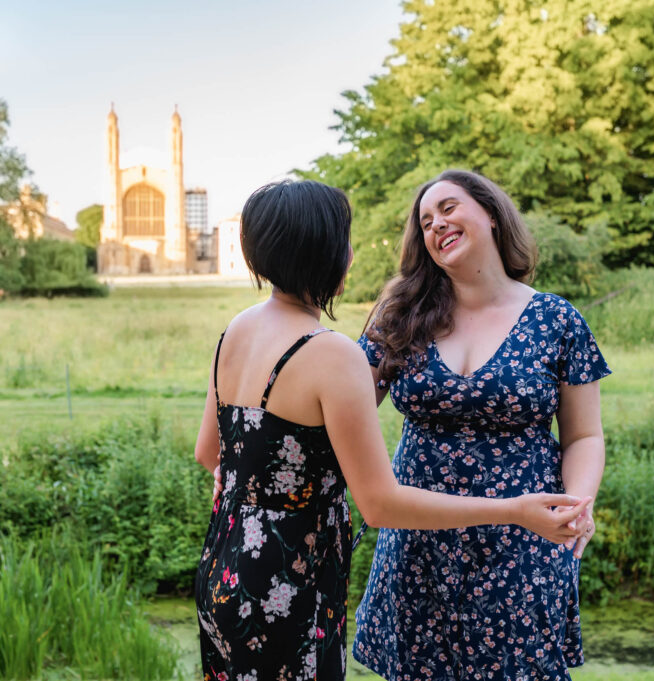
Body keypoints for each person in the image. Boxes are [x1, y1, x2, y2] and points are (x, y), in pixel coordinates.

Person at [193, 179, 592, 681]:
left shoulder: (237, 327)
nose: (353, 253)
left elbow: (209, 451)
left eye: (448, 209)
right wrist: (514, 510)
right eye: (345, 240)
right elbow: (378, 504)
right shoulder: (336, 349)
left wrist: (255, 490)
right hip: (294, 581)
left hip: (227, 562)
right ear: (322, 252)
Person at [352, 169, 611, 680]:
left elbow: (584, 435)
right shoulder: (399, 316)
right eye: (425, 221)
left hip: (524, 544)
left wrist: (577, 505)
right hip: (418, 547)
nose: (436, 225)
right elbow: (344, 412)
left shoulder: (557, 320)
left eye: (448, 208)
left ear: (490, 214)